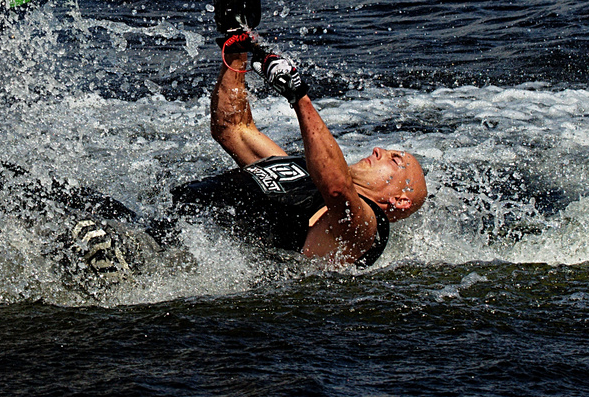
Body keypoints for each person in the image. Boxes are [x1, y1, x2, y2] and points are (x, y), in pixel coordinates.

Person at [158, 30, 427, 269]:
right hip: (163, 222)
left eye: (395, 160)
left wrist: (298, 96)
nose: (379, 150)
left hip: (172, 257)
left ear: (399, 200)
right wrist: (237, 49)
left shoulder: (366, 229)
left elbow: (337, 187)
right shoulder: (303, 172)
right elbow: (232, 129)